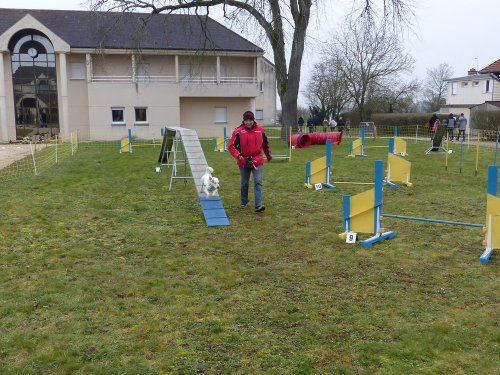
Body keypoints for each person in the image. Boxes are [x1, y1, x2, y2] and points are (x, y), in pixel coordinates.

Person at [228, 111, 272, 212]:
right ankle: (244, 201)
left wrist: (268, 155)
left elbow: (265, 144)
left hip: (257, 160)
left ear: (253, 120)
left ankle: (258, 205)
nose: (248, 122)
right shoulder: (238, 131)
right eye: (246, 120)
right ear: (243, 121)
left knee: (258, 182)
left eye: (250, 120)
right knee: (244, 182)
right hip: (243, 160)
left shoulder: (260, 130)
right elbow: (231, 146)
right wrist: (238, 156)